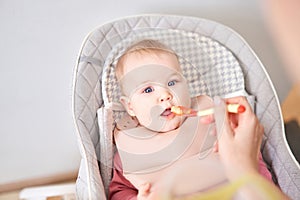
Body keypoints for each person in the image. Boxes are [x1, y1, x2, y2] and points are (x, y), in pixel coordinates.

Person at [109, 39, 274, 200]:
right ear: (130, 106)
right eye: (148, 89)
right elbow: (119, 191)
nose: (165, 95)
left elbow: (251, 158)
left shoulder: (211, 117)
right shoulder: (130, 147)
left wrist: (260, 188)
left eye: (172, 82)